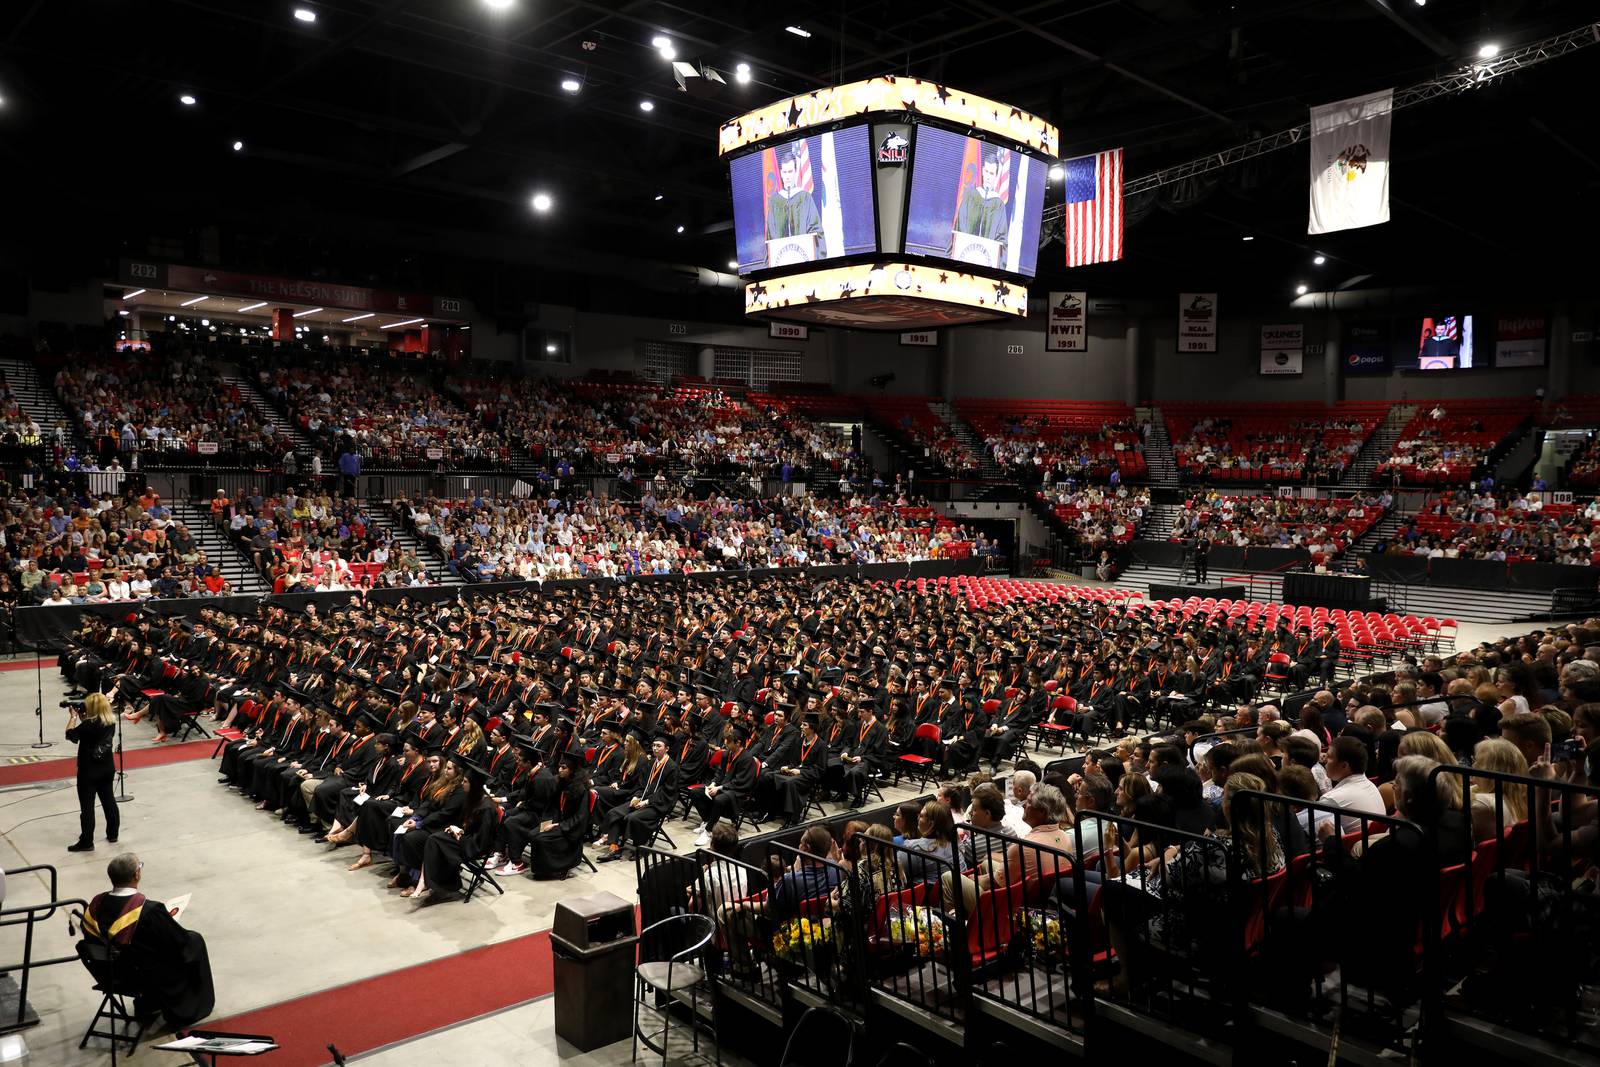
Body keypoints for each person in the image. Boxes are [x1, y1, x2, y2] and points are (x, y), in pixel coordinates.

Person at [81, 853, 214, 1030]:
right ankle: (187, 1007)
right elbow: (178, 942)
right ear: (136, 875)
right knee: (194, 941)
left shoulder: (96, 905)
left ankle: (148, 1004)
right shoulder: (149, 911)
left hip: (112, 974)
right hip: (144, 976)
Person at [66, 692, 119, 852]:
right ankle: (113, 834)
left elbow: (70, 735)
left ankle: (87, 841)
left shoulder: (88, 725)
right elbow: (93, 732)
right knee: (109, 800)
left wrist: (73, 717)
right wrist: (84, 719)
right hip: (107, 767)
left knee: (87, 807)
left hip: (89, 770)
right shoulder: (111, 722)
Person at [765, 147, 824, 258]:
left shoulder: (805, 197)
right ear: (781, 173)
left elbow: (816, 230)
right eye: (785, 172)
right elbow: (771, 235)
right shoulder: (774, 201)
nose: (787, 176)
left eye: (790, 171)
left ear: (796, 172)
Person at [953, 147, 1010, 260]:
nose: (988, 177)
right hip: (965, 255)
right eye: (987, 172)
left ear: (996, 176)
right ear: (983, 171)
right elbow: (960, 225)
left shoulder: (999, 205)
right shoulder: (970, 196)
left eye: (992, 173)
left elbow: (1002, 239)